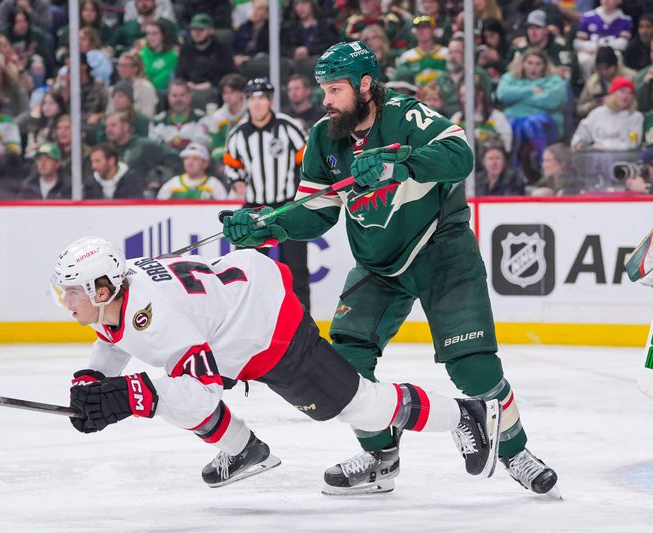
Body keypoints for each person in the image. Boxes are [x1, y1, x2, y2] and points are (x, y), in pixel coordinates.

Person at [221, 41, 560, 498]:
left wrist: (403, 164)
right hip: (378, 266)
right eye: (323, 89)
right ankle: (382, 456)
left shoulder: (406, 116)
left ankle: (516, 452)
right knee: (345, 363)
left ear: (365, 85)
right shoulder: (325, 137)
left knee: (474, 368)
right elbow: (317, 211)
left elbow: (462, 158)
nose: (326, 99)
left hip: (442, 251)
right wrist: (265, 226)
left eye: (335, 89)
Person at [57, 236, 502, 489]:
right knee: (164, 392)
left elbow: (199, 394)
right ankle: (243, 450)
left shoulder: (153, 317)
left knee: (355, 406)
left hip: (267, 326)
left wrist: (131, 394)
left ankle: (468, 413)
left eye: (72, 291)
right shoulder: (116, 293)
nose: (66, 300)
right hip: (232, 320)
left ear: (100, 289)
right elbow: (116, 336)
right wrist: (93, 378)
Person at [223, 78, 311, 312]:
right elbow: (231, 164)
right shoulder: (238, 134)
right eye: (252, 98)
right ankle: (246, 320)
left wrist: (301, 182)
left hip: (286, 207)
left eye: (262, 98)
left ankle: (303, 321)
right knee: (246, 270)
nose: (257, 103)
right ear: (247, 101)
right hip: (253, 210)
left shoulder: (288, 126)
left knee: (296, 269)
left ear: (270, 100)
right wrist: (237, 180)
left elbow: (306, 157)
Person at [496, 48, 566, 170]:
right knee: (512, 125)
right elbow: (502, 94)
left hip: (546, 124)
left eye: (538, 64)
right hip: (515, 121)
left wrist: (517, 99)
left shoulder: (554, 80)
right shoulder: (510, 78)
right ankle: (513, 170)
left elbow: (552, 101)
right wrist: (530, 91)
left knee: (531, 123)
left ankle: (543, 166)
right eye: (530, 63)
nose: (533, 68)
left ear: (544, 66)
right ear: (522, 64)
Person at [571, 76, 644, 152]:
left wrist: (603, 146)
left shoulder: (636, 117)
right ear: (613, 94)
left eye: (629, 93)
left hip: (623, 159)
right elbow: (581, 135)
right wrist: (578, 144)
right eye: (622, 91)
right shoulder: (597, 113)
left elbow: (633, 143)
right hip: (597, 158)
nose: (626, 96)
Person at [175, 14, 236, 92]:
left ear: (211, 30)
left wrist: (211, 84)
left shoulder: (222, 49)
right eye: (193, 29)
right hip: (188, 90)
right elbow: (179, 73)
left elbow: (230, 74)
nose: (196, 33)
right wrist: (186, 84)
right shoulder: (186, 49)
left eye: (201, 29)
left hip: (215, 89)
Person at [149, 80, 208, 151]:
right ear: (168, 97)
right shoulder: (157, 121)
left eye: (182, 95)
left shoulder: (202, 119)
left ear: (190, 97)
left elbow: (205, 147)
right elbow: (153, 149)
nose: (178, 99)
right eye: (174, 95)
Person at [200, 73, 247, 160]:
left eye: (232, 92)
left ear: (241, 93)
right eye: (225, 93)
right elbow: (215, 145)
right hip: (225, 157)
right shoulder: (217, 117)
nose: (227, 96)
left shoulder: (251, 113)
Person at [157, 142, 227, 199]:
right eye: (186, 158)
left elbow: (224, 209)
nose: (189, 163)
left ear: (205, 163)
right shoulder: (173, 183)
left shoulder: (213, 184)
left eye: (195, 159)